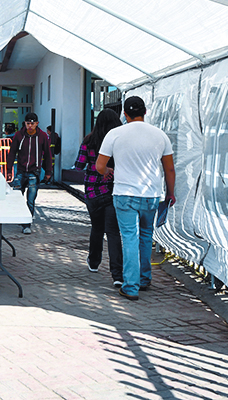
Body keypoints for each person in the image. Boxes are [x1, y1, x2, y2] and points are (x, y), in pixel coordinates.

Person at [96, 96, 176, 301]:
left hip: (124, 194)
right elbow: (169, 168)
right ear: (145, 112)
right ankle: (144, 279)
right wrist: (170, 193)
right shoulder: (160, 135)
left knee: (129, 237)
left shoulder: (114, 134)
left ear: (124, 114)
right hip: (151, 194)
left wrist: (108, 171)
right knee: (146, 236)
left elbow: (99, 166)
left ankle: (130, 286)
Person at [74, 109, 123, 287]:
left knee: (96, 227)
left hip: (93, 191)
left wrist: (94, 166)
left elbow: (79, 165)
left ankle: (94, 262)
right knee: (112, 232)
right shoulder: (120, 140)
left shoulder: (89, 140)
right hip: (113, 190)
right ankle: (117, 274)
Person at [6, 112, 53, 234]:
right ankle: (19, 217)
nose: (30, 126)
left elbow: (47, 155)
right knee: (17, 197)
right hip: (20, 171)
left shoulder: (42, 136)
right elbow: (12, 153)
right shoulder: (18, 135)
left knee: (30, 200)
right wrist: (9, 169)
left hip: (34, 172)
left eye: (32, 123)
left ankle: (27, 224)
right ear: (25, 124)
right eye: (28, 123)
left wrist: (48, 172)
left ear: (37, 123)